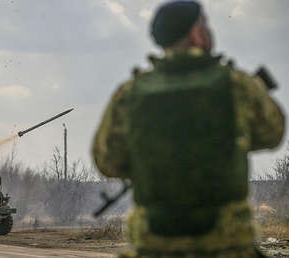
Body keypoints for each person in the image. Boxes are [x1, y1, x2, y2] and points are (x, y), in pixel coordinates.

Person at [92, 1, 285, 257]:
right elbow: (273, 133)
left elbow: (107, 161)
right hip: (227, 246)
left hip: (154, 245)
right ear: (196, 32)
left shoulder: (130, 95)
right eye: (205, 23)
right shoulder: (236, 85)